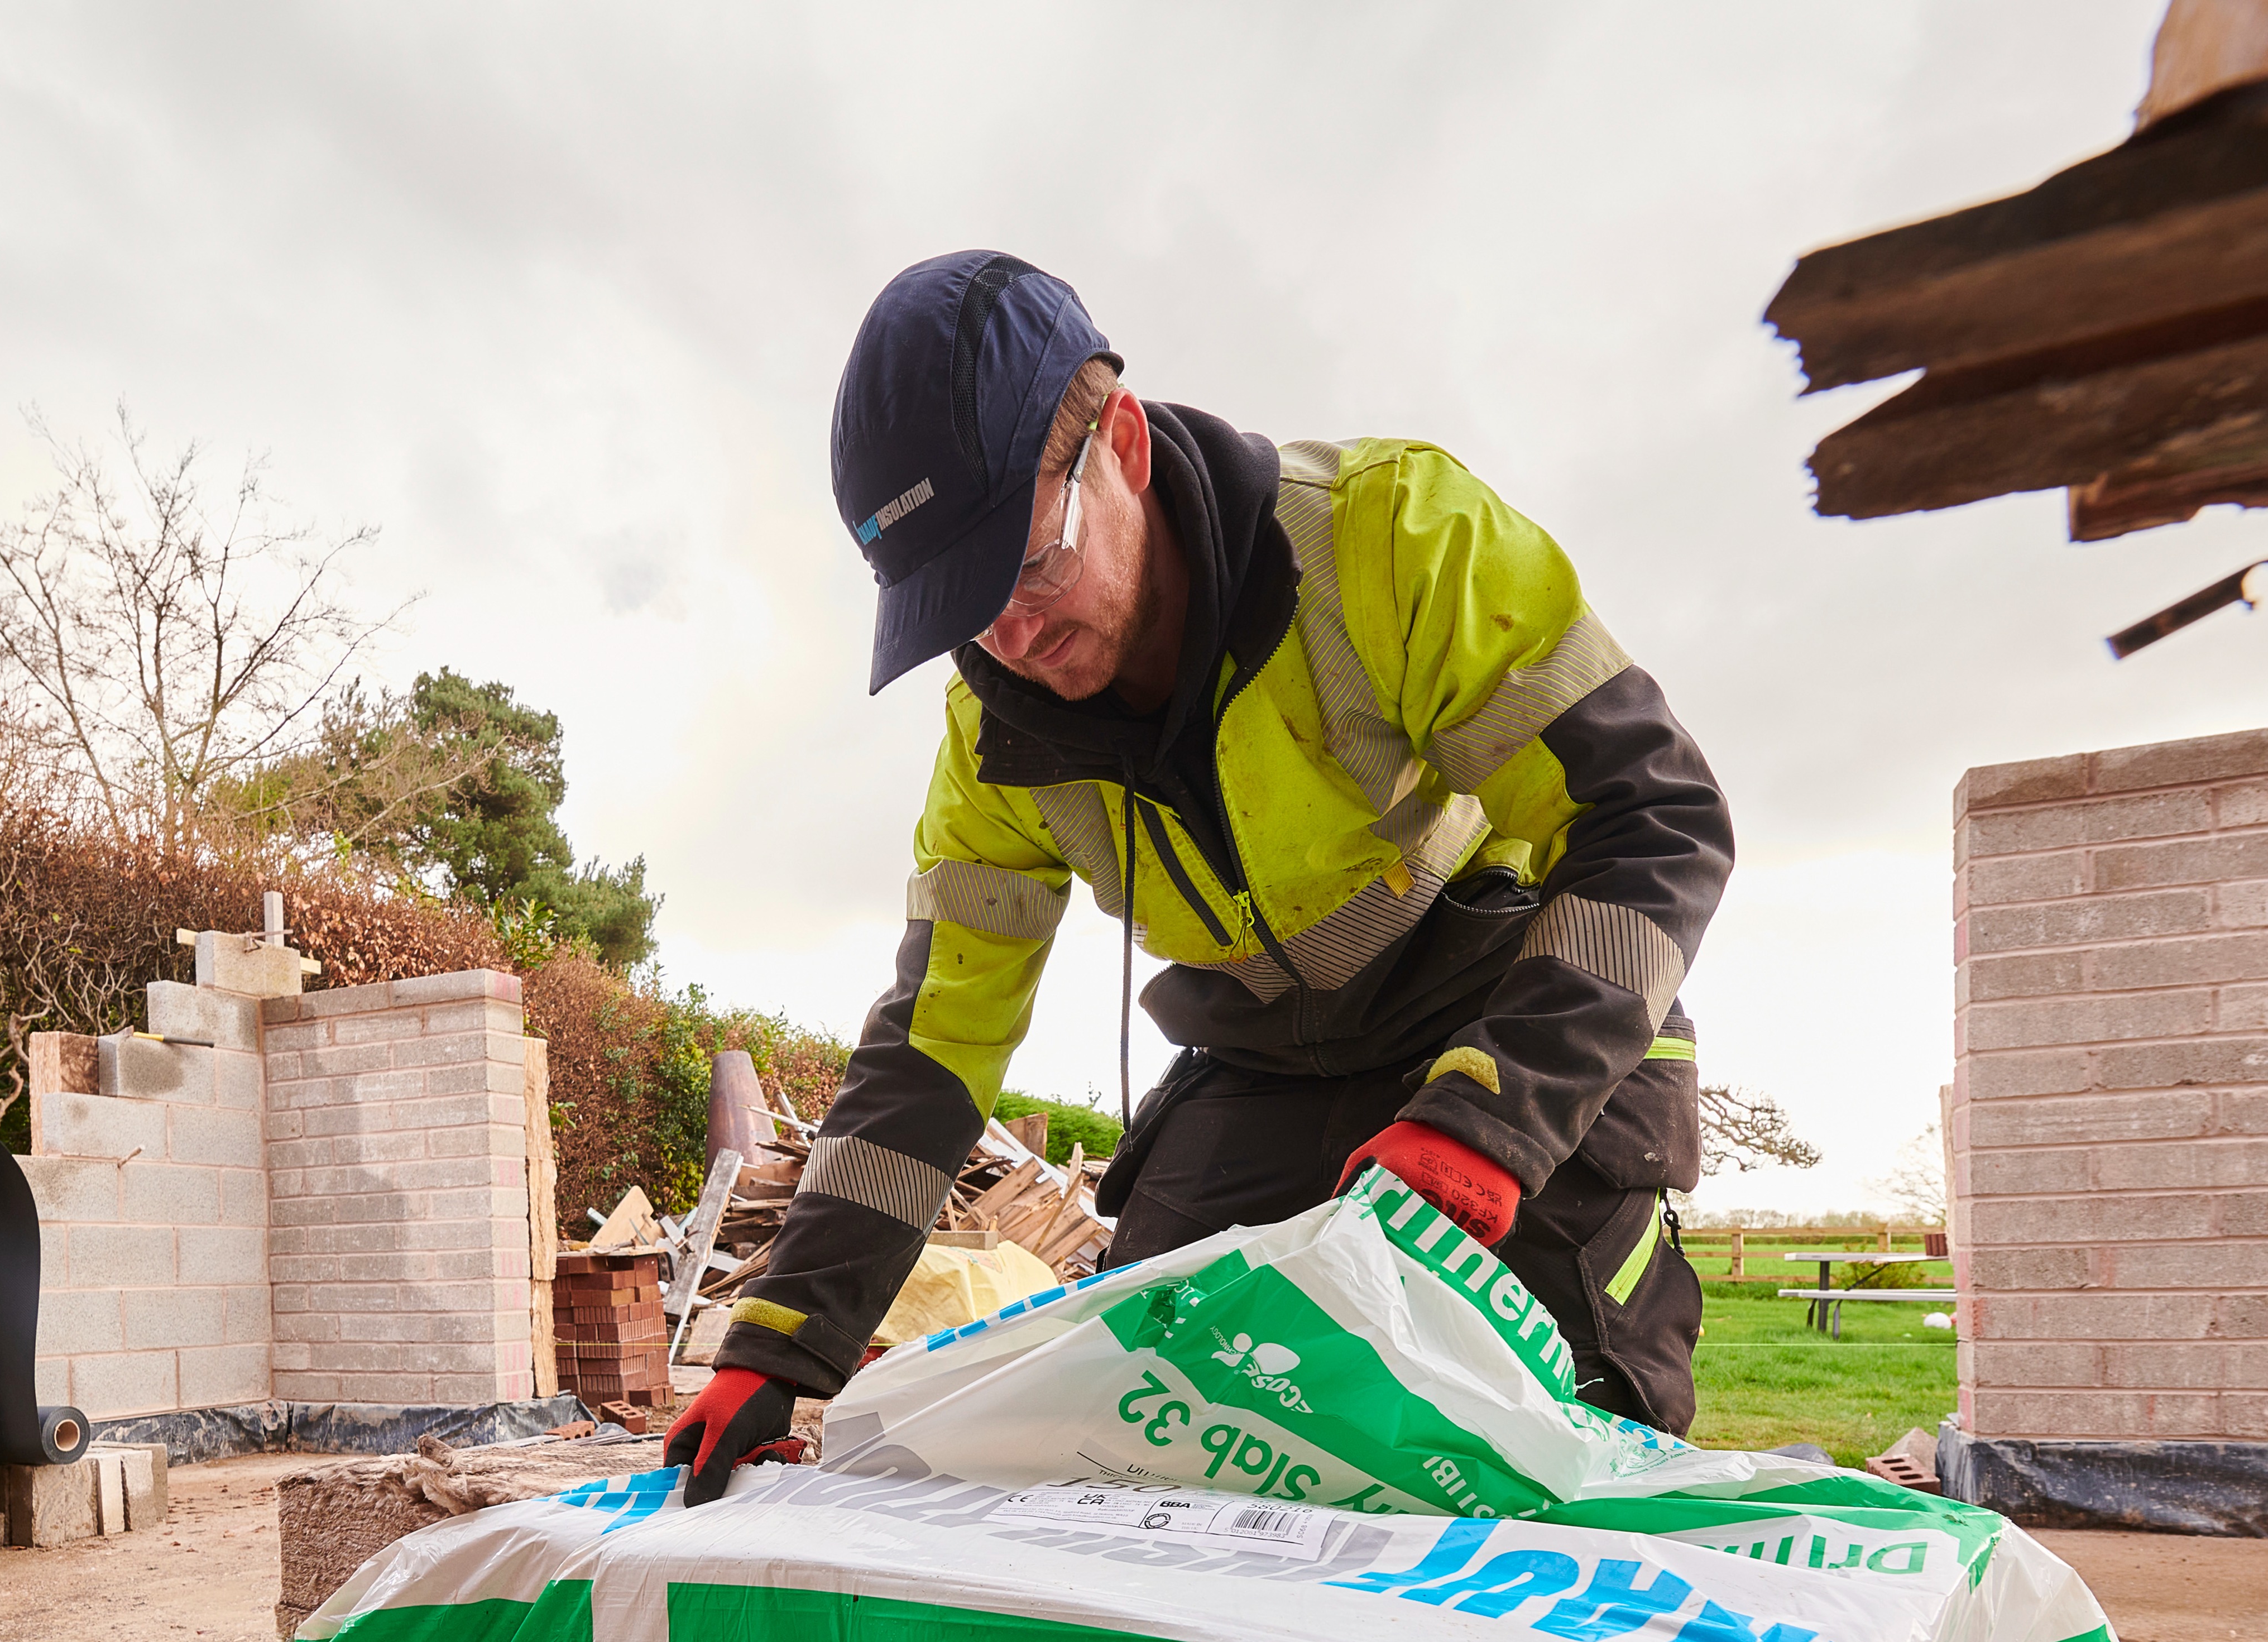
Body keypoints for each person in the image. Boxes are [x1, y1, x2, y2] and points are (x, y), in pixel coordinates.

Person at [668, 250, 1728, 1505]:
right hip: (1268, 1062)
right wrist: (785, 1341)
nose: (1009, 634)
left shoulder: (1392, 538)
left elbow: (1657, 817)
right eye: (962, 604)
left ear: (1120, 439)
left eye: (1028, 561)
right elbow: (931, 1054)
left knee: (1553, 1447)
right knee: (1135, 1420)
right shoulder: (992, 740)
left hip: (1503, 1023)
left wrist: (1493, 1118)